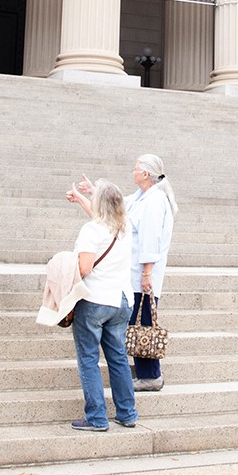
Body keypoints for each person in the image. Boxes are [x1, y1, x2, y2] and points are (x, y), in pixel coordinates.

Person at [79, 155, 177, 392]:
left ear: (145, 174)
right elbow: (118, 205)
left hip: (142, 274)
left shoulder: (154, 201)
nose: (132, 172)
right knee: (138, 322)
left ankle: (151, 374)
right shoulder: (142, 197)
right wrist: (94, 192)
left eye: (135, 168)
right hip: (132, 273)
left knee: (144, 323)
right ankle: (146, 372)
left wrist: (147, 273)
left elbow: (151, 239)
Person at [62, 179, 137, 431]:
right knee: (118, 358)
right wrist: (84, 197)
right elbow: (102, 213)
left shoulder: (91, 230)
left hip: (95, 300)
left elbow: (84, 268)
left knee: (88, 358)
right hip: (122, 301)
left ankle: (96, 416)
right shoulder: (125, 227)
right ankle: (127, 413)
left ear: (99, 205)